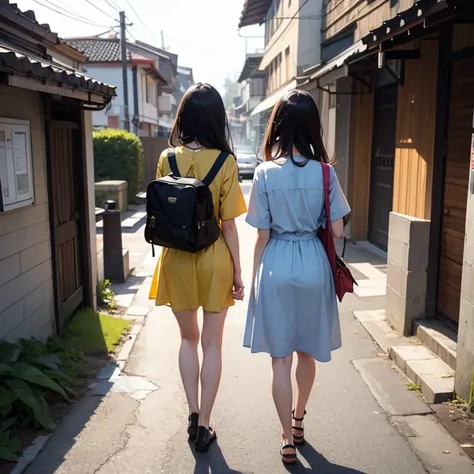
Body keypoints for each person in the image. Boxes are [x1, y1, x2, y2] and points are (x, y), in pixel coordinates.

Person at [243, 90, 351, 464]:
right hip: (313, 263)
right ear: (312, 127)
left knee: (280, 359)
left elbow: (261, 233)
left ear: (278, 125)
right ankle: (300, 418)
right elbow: (337, 232)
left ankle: (286, 439)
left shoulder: (264, 172)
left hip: (276, 262)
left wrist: (255, 277)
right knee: (307, 352)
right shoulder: (326, 173)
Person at [149, 83, 247, 452]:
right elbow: (231, 223)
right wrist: (238, 273)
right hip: (213, 259)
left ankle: (191, 414)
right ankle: (205, 423)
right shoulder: (226, 162)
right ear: (218, 119)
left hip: (175, 258)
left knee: (188, 339)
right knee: (212, 343)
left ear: (184, 116)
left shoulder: (166, 158)